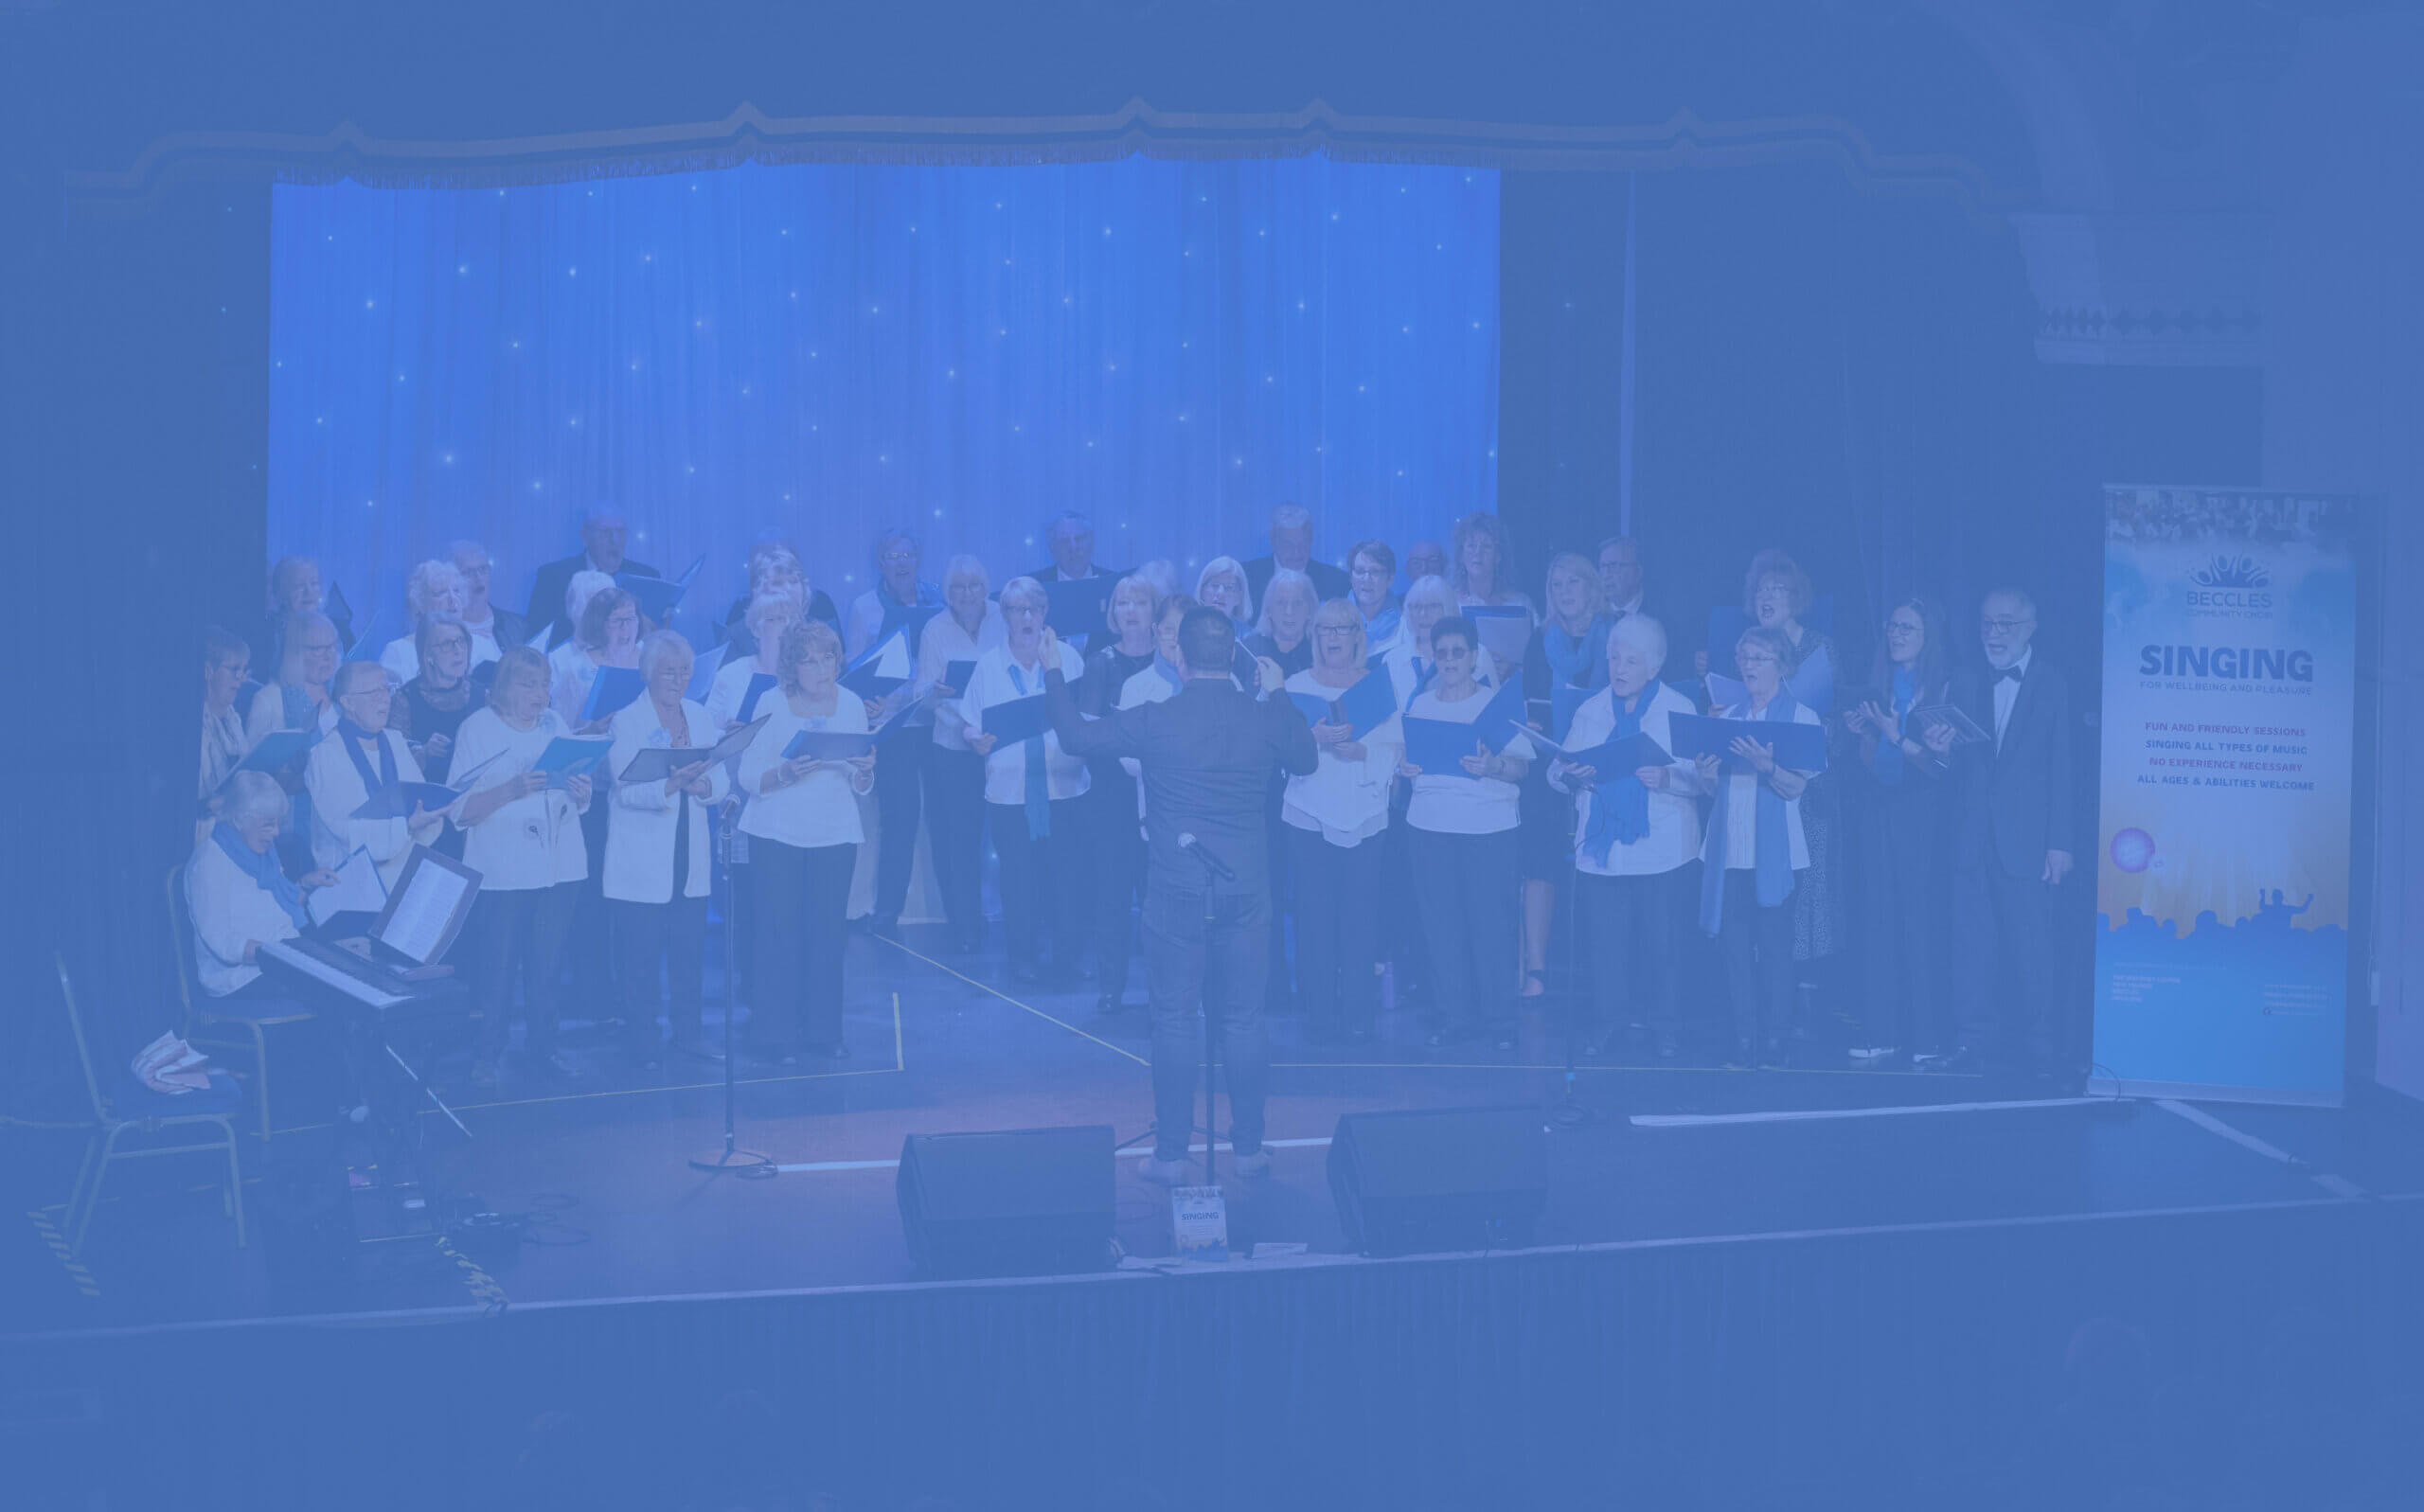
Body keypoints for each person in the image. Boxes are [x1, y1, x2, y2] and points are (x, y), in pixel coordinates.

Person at [1043, 607, 1316, 1185]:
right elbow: (1307, 757)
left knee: (1173, 1020)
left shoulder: (1156, 718)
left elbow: (1074, 737)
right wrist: (1280, 692)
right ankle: (1247, 1149)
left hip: (1174, 891)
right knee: (1244, 1021)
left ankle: (1170, 1156)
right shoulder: (1264, 714)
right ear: (1235, 654)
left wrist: (1052, 671)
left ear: (1178, 657)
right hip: (1246, 889)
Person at [1928, 588, 2075, 1084]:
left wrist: (2061, 843)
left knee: (2033, 947)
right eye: (1987, 623)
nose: (1994, 634)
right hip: (1970, 837)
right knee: (1970, 947)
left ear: (2031, 628)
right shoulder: (1965, 680)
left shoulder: (2053, 684)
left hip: (2029, 842)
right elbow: (1948, 772)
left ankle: (2040, 1046)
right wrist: (1939, 750)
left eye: (2005, 624)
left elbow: (2062, 768)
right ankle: (1972, 1042)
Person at [1549, 614, 1701, 1058]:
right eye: (1614, 657)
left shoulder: (1678, 708)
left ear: (1654, 667)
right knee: (1605, 945)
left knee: (1663, 944)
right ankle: (1608, 1021)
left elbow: (1703, 779)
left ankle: (1666, 1024)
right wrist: (1571, 775)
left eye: (1631, 660)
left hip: (1664, 847)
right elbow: (1555, 771)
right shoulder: (1591, 710)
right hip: (1604, 849)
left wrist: (1668, 777)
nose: (1619, 668)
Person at [451, 646, 595, 1086]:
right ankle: (488, 1054)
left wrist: (582, 791)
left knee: (545, 966)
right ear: (500, 689)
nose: (539, 694)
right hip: (503, 869)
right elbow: (459, 810)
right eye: (528, 684)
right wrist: (511, 790)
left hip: (560, 865)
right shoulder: (477, 728)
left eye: (544, 684)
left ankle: (544, 1048)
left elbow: (576, 797)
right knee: (497, 968)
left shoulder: (555, 725)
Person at [737, 621, 876, 1060]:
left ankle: (823, 1032)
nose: (821, 668)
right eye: (810, 660)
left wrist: (867, 770)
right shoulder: (771, 702)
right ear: (792, 666)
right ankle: (774, 1035)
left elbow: (857, 777)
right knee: (779, 936)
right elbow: (746, 775)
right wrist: (783, 774)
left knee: (828, 936)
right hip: (777, 834)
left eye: (828, 658)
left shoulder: (851, 703)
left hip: (834, 834)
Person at [1399, 615, 1536, 1051]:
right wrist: (1405, 768)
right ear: (1433, 657)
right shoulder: (1419, 705)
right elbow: (1406, 761)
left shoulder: (1496, 703)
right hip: (1429, 826)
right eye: (1443, 653)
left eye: (1459, 652)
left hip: (1488, 828)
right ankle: (1453, 1017)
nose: (1451, 660)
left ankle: (1499, 1021)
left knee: (1491, 927)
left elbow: (1522, 768)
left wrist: (1494, 766)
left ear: (1474, 656)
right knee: (1442, 928)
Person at [1698, 626, 1822, 1067]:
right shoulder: (1726, 715)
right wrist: (1709, 777)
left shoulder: (1802, 718)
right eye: (1744, 656)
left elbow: (1795, 789)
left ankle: (1775, 1038)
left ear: (1781, 666)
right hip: (1730, 849)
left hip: (1778, 854)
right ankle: (1743, 1037)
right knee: (1733, 950)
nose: (1749, 665)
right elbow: (1716, 792)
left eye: (1760, 658)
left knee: (1773, 951)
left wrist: (1768, 766)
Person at [956, 578, 1090, 985]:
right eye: (1017, 609)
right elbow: (969, 722)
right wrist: (973, 739)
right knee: (1018, 880)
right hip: (1010, 793)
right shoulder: (988, 665)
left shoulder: (1069, 658)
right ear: (1006, 617)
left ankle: (1069, 957)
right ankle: (1022, 958)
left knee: (1068, 878)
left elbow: (1085, 717)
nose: (1026, 617)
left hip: (1065, 787)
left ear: (1046, 612)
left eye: (1033, 608)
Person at [606, 631, 729, 1071]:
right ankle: (642, 1039)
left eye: (684, 672)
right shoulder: (628, 720)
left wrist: (704, 785)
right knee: (640, 958)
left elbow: (723, 778)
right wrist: (670, 784)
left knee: (688, 954)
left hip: (687, 857)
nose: (677, 680)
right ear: (648, 673)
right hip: (641, 859)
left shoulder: (699, 715)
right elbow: (624, 788)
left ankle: (688, 1033)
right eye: (668, 672)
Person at [1282, 599, 1400, 1042]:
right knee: (1313, 915)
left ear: (1357, 636)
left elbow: (1399, 746)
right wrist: (1309, 737)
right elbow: (1274, 743)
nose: (1334, 637)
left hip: (1365, 812)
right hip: (1308, 811)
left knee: (1360, 915)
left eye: (1342, 629)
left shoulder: (1377, 686)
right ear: (1315, 637)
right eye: (1325, 630)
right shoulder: (1295, 684)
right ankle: (1317, 1012)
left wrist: (1363, 751)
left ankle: (1357, 1014)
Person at [1844, 596, 1953, 1065]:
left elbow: (1940, 767)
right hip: (1879, 809)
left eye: (1907, 628)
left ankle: (1926, 1036)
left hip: (1923, 816)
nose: (1897, 635)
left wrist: (1894, 735)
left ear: (1927, 637)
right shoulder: (1879, 686)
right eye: (1892, 626)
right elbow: (1873, 765)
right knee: (1879, 917)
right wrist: (1866, 736)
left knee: (1918, 921)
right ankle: (1882, 1029)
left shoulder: (1944, 687)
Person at [846, 528, 943, 940]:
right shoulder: (864, 607)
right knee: (899, 819)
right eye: (892, 555)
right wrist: (872, 700)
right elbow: (854, 670)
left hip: (939, 721)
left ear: (918, 558)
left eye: (907, 553)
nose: (901, 562)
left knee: (945, 817)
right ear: (880, 563)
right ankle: (886, 911)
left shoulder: (939, 600)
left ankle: (954, 909)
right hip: (894, 725)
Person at [186, 771, 342, 1002]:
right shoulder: (209, 862)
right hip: (239, 979)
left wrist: (305, 885)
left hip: (276, 961)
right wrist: (282, 957)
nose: (276, 832)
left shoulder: (260, 852)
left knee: (341, 976)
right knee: (333, 994)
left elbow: (274, 908)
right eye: (268, 825)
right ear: (239, 819)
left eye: (278, 823)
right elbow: (223, 943)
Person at [1080, 574, 1163, 1013]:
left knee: (1157, 900)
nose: (1131, 610)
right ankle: (1110, 987)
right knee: (1111, 898)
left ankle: (1161, 989)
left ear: (1155, 611)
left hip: (1160, 797)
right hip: (1112, 797)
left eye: (1141, 602)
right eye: (1123, 602)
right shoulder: (1100, 663)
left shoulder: (1170, 662)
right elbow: (1088, 736)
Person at [917, 555, 1006, 953]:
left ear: (985, 589)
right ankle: (965, 925)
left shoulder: (1004, 617)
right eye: (957, 587)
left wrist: (989, 730)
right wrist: (966, 726)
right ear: (947, 594)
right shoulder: (934, 629)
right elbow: (925, 694)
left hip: (1003, 745)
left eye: (973, 586)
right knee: (960, 843)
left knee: (1009, 838)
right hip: (953, 748)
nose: (966, 594)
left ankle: (1017, 918)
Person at [305, 660, 443, 892]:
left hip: (406, 875)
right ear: (348, 702)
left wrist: (433, 810)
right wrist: (408, 825)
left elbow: (419, 800)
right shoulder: (325, 756)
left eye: (386, 689)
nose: (385, 699)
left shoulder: (395, 741)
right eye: (373, 692)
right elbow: (347, 831)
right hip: (353, 886)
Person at [243, 610, 341, 875]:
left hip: (337, 836)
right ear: (294, 652)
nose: (328, 655)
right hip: (289, 840)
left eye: (332, 646)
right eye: (317, 649)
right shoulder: (269, 700)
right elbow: (251, 780)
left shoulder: (341, 697)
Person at [528, 507, 659, 649]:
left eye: (620, 532)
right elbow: (536, 636)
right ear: (585, 537)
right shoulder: (553, 576)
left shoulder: (647, 576)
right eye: (605, 532)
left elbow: (659, 636)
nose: (614, 540)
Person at [392, 614, 476, 785]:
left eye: (461, 641)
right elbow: (394, 767)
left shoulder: (483, 694)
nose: (458, 650)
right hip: (427, 797)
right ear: (428, 655)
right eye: (447, 644)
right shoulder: (405, 700)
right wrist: (425, 753)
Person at [704, 591, 802, 732]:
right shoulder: (731, 674)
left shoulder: (807, 673)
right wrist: (727, 735)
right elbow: (706, 730)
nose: (783, 626)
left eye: (788, 620)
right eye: (773, 620)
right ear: (756, 629)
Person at [722, 541, 841, 656]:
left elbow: (841, 674)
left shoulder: (823, 634)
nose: (788, 588)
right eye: (778, 582)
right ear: (759, 590)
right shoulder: (735, 637)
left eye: (794, 581)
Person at [549, 581, 640, 728]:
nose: (625, 627)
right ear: (599, 625)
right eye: (616, 620)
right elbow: (561, 730)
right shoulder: (577, 669)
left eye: (630, 618)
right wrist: (591, 730)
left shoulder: (651, 660)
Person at [1242, 502, 1350, 608]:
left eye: (1303, 544)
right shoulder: (1246, 578)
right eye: (1288, 545)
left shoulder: (1336, 582)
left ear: (1311, 539)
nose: (1297, 553)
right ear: (1273, 540)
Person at [380, 560, 469, 684]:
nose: (452, 599)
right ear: (419, 603)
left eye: (456, 591)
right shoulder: (399, 651)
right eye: (440, 593)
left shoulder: (483, 646)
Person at [248, 555, 335, 672]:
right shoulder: (265, 634)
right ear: (279, 594)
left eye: (314, 584)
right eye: (298, 585)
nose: (308, 592)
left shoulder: (339, 631)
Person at [200, 626, 253, 808]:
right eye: (234, 669)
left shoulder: (233, 717)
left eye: (244, 670)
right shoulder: (195, 725)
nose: (242, 678)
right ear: (208, 671)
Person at [446, 540, 523, 666]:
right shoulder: (443, 632)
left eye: (483, 569)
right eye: (468, 572)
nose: (478, 577)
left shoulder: (518, 626)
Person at [1451, 511, 1535, 617]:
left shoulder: (1520, 604)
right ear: (1461, 555)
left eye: (1486, 546)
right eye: (1471, 546)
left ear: (1498, 556)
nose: (1478, 553)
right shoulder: (1448, 603)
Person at [1245, 568, 1318, 678]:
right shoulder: (1248, 650)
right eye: (1281, 603)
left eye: (1298, 603)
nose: (1289, 612)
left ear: (1310, 610)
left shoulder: (1321, 652)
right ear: (1269, 609)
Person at [1029, 509, 1123, 583]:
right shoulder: (1037, 586)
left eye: (1079, 538)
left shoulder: (1112, 583)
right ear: (1053, 549)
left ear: (1091, 543)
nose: (1073, 547)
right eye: (1064, 541)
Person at [1346, 539, 1402, 650]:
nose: (1366, 579)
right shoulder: (1331, 622)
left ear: (1390, 578)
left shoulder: (1406, 625)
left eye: (1375, 571)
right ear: (1350, 577)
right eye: (1360, 571)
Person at [1194, 556, 1254, 630]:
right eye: (1215, 585)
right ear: (1202, 591)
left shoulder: (1249, 638)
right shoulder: (1187, 632)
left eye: (1228, 587)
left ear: (1239, 597)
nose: (1220, 593)